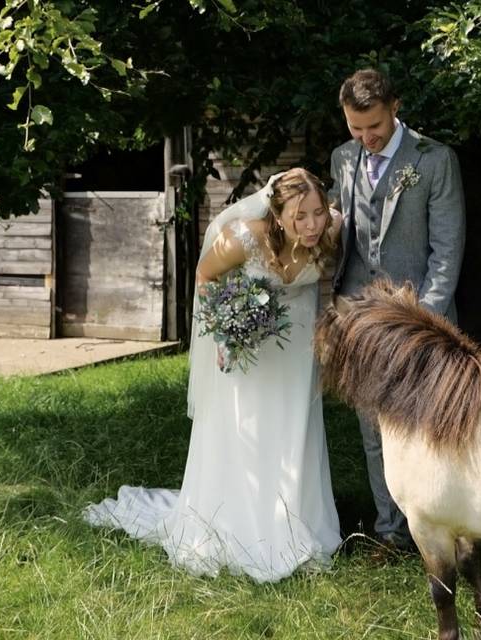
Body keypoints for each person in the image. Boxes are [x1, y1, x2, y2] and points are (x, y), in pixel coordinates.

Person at [84, 168, 343, 582]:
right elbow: (205, 276)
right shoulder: (244, 236)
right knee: (250, 433)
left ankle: (297, 523)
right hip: (248, 354)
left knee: (294, 432)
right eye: (299, 217)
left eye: (317, 213)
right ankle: (242, 526)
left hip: (296, 356)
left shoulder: (327, 231)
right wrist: (224, 332)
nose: (311, 225)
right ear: (277, 215)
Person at [328, 68, 466, 551]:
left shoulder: (433, 160)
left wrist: (420, 325)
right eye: (355, 128)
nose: (365, 138)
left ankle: (442, 530)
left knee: (430, 429)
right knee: (373, 429)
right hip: (359, 320)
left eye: (375, 128)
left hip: (419, 321)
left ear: (395, 108)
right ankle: (390, 532)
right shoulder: (342, 159)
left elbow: (446, 254)